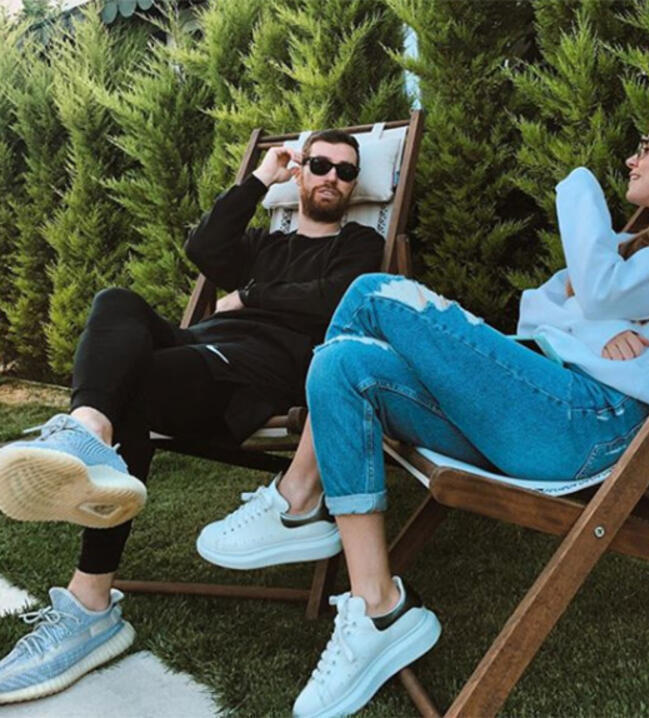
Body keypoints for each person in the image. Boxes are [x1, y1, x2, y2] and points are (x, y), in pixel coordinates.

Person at [203, 103, 649, 717]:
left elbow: (596, 291)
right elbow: (536, 310)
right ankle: (379, 609)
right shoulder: (631, 246)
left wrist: (579, 184)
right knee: (343, 363)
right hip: (541, 406)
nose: (632, 157)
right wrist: (604, 328)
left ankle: (298, 498)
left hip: (583, 422)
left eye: (648, 145)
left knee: (372, 292)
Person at [0, 129, 384, 704]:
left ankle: (90, 604)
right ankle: (88, 431)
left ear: (354, 186)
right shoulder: (263, 243)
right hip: (201, 344)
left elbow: (337, 298)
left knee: (132, 388)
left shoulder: (358, 244)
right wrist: (261, 177)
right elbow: (204, 246)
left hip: (252, 370)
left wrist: (249, 298)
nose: (332, 177)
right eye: (321, 164)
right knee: (115, 301)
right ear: (301, 172)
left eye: (346, 171)